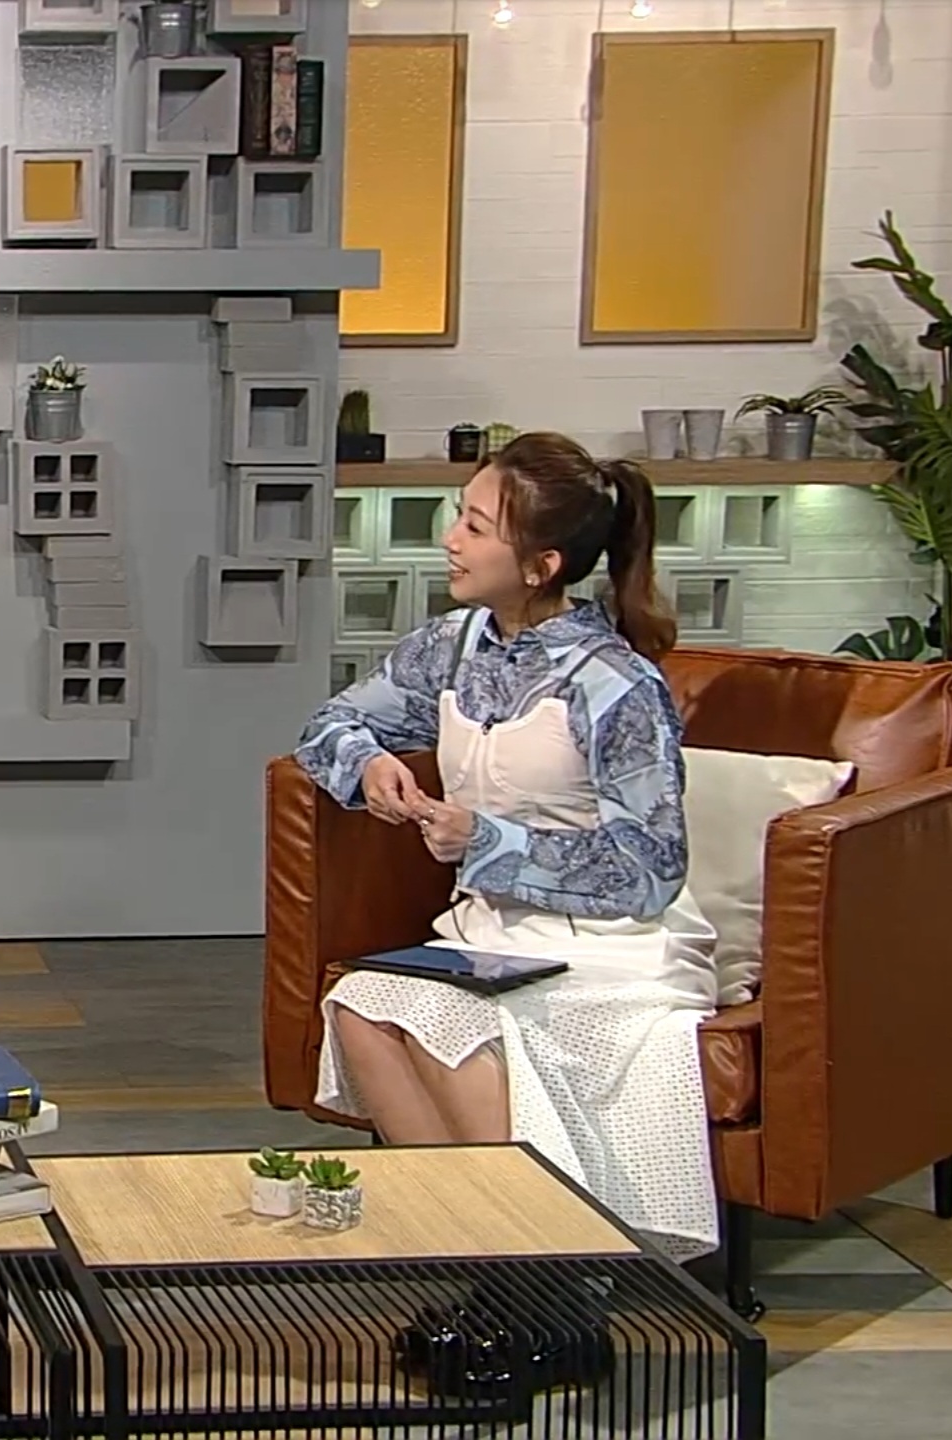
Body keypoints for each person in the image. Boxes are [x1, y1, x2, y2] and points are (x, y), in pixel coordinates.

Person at [292, 432, 721, 1259]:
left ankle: (552, 1266)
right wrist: (369, 761)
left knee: (454, 1029)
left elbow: (650, 868)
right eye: (459, 516)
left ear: (539, 565)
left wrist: (487, 840)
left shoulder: (615, 683)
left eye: (476, 527)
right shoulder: (451, 646)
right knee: (360, 1008)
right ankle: (487, 1255)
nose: (449, 539)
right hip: (488, 932)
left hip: (609, 942)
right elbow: (329, 724)